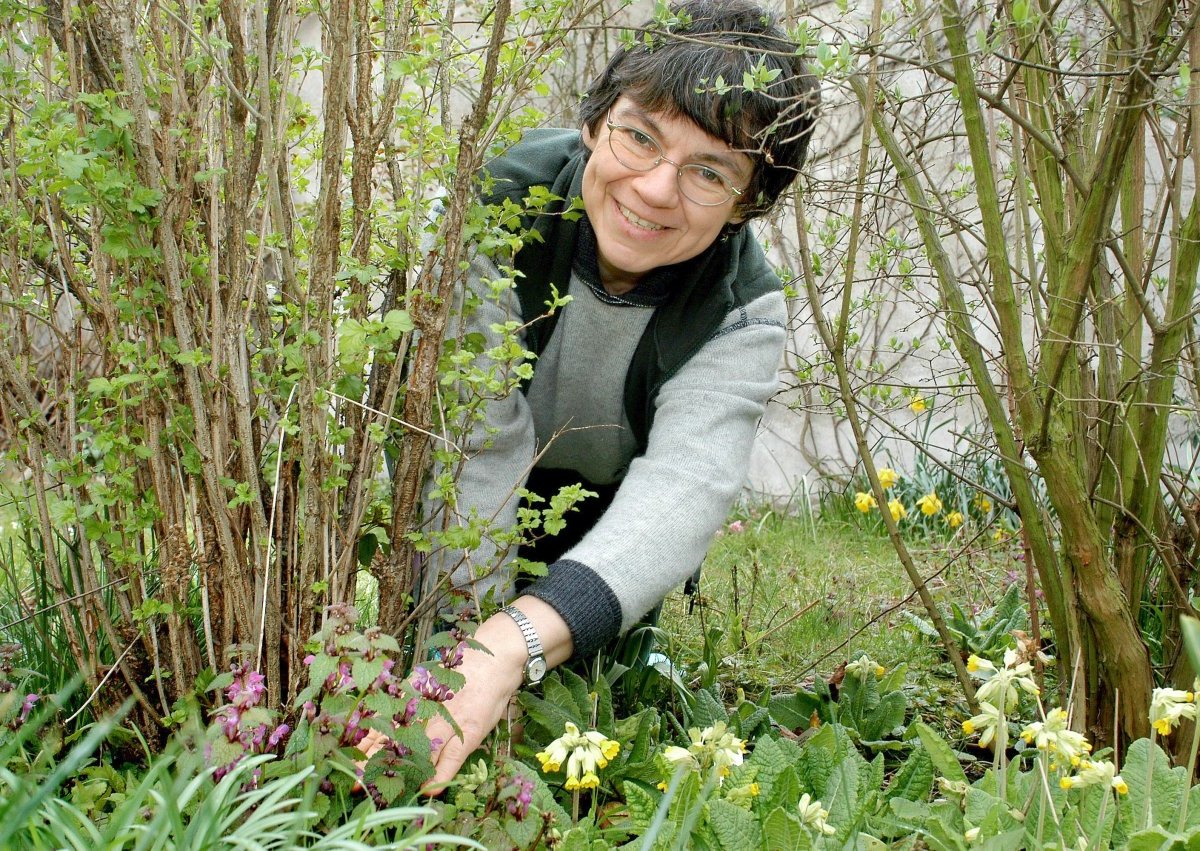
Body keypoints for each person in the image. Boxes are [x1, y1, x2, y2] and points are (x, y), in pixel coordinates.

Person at [368, 0, 819, 788]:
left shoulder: (741, 307)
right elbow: (476, 444)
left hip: (604, 508)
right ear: (594, 120)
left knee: (585, 684)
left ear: (749, 202)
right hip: (465, 495)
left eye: (709, 173)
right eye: (639, 135)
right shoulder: (495, 207)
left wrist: (512, 643)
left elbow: (681, 491)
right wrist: (454, 654)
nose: (653, 189)